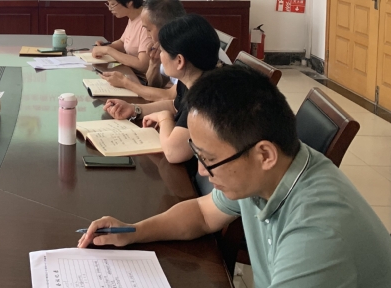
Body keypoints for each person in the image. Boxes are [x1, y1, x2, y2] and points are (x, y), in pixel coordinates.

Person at [79, 66, 391, 288]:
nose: (202, 171)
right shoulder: (267, 170)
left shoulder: (317, 234)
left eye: (209, 159)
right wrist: (134, 231)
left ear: (265, 154)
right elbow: (202, 214)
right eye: (198, 154)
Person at [103, 14, 220, 164]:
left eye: (163, 51)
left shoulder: (204, 97)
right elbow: (174, 105)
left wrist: (164, 117)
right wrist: (134, 109)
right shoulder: (195, 77)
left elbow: (173, 153)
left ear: (179, 61)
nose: (160, 56)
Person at [101, 0, 186, 100]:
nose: (147, 35)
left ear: (166, 28)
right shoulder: (167, 48)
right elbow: (156, 86)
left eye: (148, 30)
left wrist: (125, 83)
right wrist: (154, 63)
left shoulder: (186, 49)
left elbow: (169, 96)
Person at [91, 0, 151, 75]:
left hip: (141, 78)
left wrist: (108, 50)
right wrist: (106, 47)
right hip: (130, 72)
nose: (109, 8)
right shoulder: (132, 18)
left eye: (112, 4)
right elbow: (123, 43)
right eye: (108, 4)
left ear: (129, 3)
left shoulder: (146, 23)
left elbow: (142, 65)